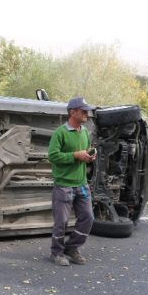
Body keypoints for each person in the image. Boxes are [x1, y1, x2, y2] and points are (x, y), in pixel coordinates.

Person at [47, 96, 96, 266]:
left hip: (81, 183)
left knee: (88, 218)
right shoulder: (60, 132)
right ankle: (56, 253)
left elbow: (84, 153)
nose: (86, 114)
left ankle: (72, 248)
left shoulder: (84, 132)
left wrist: (89, 156)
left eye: (87, 111)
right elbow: (53, 156)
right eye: (83, 111)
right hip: (64, 185)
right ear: (72, 112)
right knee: (61, 222)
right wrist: (75, 155)